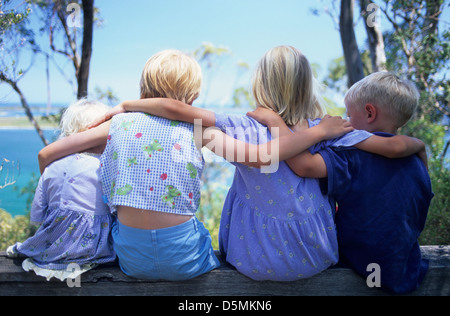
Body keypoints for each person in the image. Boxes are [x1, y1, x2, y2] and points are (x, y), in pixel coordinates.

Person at [88, 46, 425, 282]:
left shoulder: (240, 125)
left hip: (251, 259)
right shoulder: (327, 129)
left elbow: (177, 110)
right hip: (316, 254)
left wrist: (128, 105)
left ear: (259, 84)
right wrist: (419, 146)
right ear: (307, 85)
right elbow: (392, 144)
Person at [249, 71, 433, 293]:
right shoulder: (415, 159)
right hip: (406, 266)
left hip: (361, 264)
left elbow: (303, 165)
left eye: (348, 115)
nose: (345, 121)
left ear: (369, 113)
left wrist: (275, 121)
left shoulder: (352, 155)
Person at [6, 99, 116, 282]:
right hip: (97, 249)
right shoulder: (107, 168)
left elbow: (38, 215)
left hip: (53, 245)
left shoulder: (54, 167)